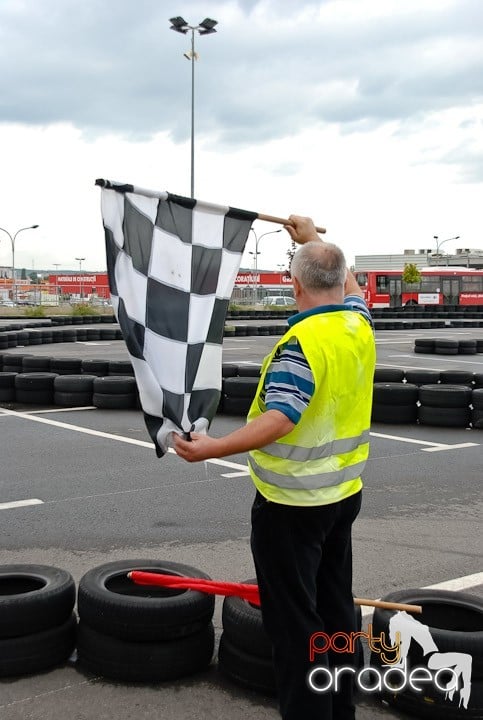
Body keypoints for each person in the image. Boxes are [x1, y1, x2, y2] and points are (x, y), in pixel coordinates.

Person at [174, 215, 376, 720]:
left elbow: (282, 418)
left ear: (294, 285)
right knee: (334, 613)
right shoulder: (358, 325)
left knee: (295, 628)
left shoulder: (302, 345)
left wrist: (211, 448)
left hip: (291, 508)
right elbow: (350, 286)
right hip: (342, 497)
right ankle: (340, 710)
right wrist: (314, 240)